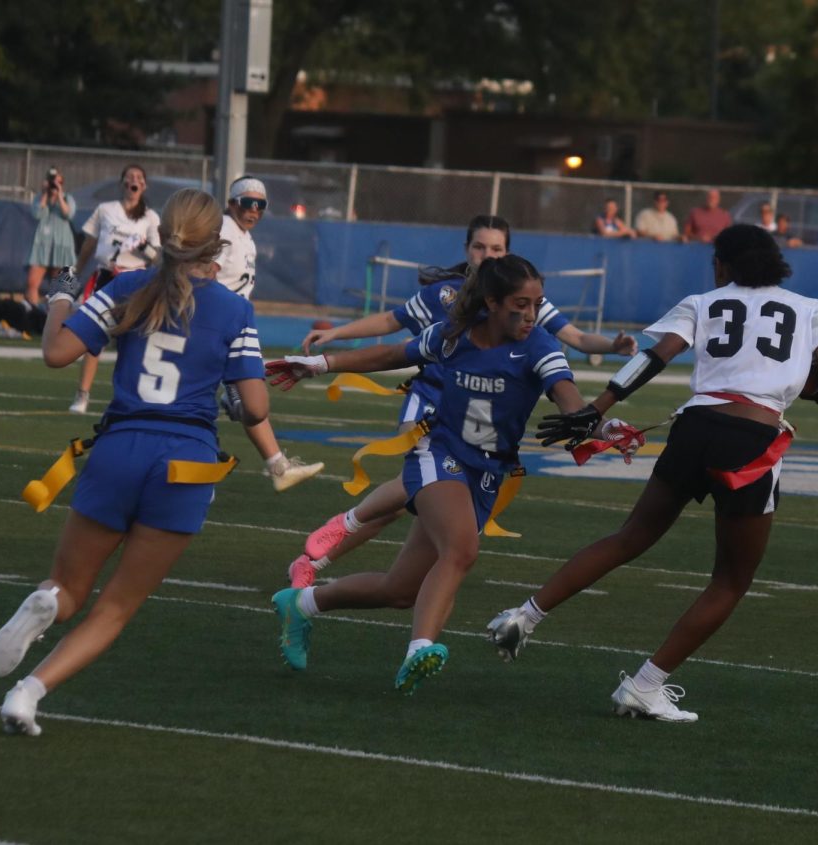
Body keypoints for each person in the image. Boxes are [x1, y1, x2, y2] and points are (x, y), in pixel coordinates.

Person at [486, 224, 818, 723]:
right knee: (730, 580)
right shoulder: (809, 307)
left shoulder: (702, 301)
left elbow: (655, 357)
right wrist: (808, 390)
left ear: (722, 265)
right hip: (752, 441)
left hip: (695, 427)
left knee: (631, 536)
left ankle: (523, 616)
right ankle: (645, 686)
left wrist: (598, 407)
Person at [267, 255, 626, 693]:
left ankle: (301, 605)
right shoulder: (454, 335)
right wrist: (321, 364)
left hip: (488, 474)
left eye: (537, 304)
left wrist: (603, 426)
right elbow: (391, 352)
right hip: (438, 454)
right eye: (520, 304)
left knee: (399, 590)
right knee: (461, 549)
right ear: (492, 302)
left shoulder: (540, 346)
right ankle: (419, 650)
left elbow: (569, 398)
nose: (531, 315)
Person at [0, 188, 270, 736]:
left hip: (119, 448)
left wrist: (63, 295)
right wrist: (234, 395)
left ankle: (47, 600)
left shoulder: (128, 285)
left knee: (68, 588)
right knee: (114, 607)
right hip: (186, 463)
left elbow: (56, 353)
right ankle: (27, 694)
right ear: (217, 246)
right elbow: (255, 407)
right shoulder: (235, 308)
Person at [290, 215, 638, 589]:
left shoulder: (522, 305)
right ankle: (320, 553)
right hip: (432, 403)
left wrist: (611, 347)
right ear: (466, 249)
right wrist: (338, 336)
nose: (486, 255)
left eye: (496, 249)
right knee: (413, 483)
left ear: (508, 253)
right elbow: (392, 326)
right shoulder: (445, 295)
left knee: (418, 545)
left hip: (479, 423)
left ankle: (386, 584)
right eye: (479, 247)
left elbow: (577, 338)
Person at [215, 174, 324, 492]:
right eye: (248, 203)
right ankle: (205, 461)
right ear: (232, 202)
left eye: (260, 205)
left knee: (249, 400)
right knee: (244, 399)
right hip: (220, 328)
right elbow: (204, 278)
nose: (254, 210)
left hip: (234, 328)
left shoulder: (244, 237)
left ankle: (277, 466)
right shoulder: (224, 231)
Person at [67, 164, 161, 414]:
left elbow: (158, 257)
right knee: (94, 336)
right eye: (129, 177)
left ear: (144, 185)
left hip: (136, 281)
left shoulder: (150, 217)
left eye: (139, 177)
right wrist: (76, 270)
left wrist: (144, 248)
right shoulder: (105, 210)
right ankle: (82, 394)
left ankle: (131, 397)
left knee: (133, 340)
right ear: (122, 183)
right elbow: (90, 244)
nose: (134, 180)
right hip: (108, 277)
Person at [24, 167, 78, 306]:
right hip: (42, 245)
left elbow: (68, 214)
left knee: (60, 287)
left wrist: (59, 195)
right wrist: (45, 194)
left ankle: (53, 317)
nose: (54, 185)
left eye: (58, 182)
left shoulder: (67, 198)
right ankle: (33, 314)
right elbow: (37, 214)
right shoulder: (40, 198)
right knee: (32, 283)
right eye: (52, 182)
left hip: (62, 245)